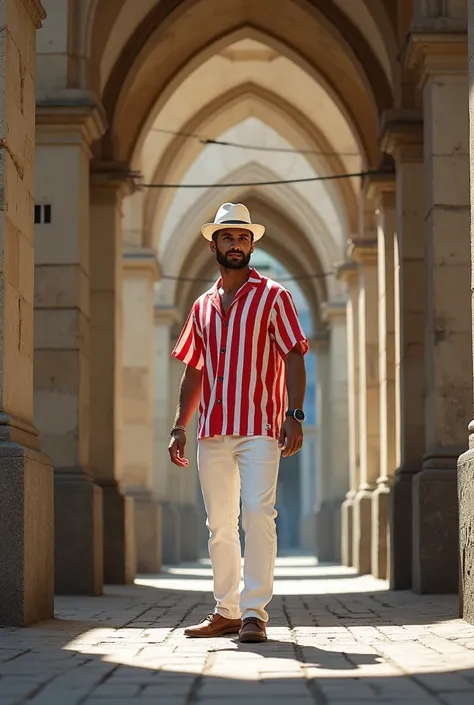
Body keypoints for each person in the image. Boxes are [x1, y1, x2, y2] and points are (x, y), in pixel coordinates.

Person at [169, 202, 308, 643]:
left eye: (243, 238)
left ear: (251, 245)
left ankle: (255, 614)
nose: (236, 245)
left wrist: (295, 414)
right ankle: (226, 610)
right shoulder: (203, 305)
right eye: (228, 237)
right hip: (211, 429)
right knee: (220, 524)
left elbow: (293, 354)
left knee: (257, 515)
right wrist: (179, 425)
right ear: (214, 244)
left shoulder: (275, 296)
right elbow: (194, 368)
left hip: (260, 427)